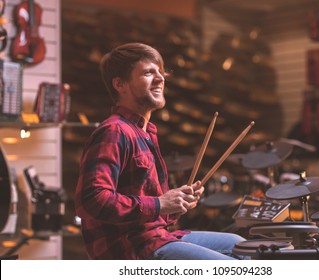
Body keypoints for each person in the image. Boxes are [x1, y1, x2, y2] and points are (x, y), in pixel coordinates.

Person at [75, 42, 246, 260]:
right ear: (120, 84)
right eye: (148, 73)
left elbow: (148, 209)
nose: (160, 78)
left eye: (160, 71)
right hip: (130, 249)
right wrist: (160, 203)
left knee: (241, 245)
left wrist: (175, 204)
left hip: (156, 236)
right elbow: (92, 201)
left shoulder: (144, 132)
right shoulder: (114, 131)